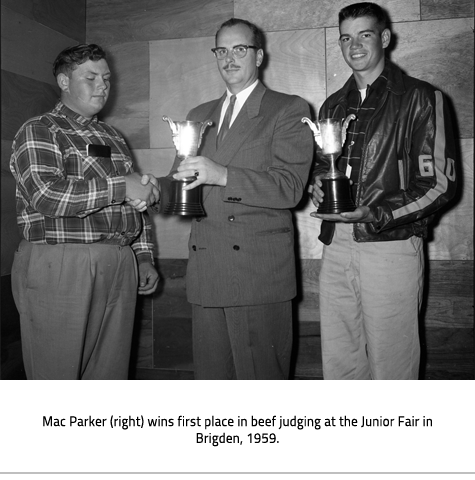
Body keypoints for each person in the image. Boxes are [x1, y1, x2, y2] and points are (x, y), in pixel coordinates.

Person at [155, 18, 314, 379]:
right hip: (207, 270)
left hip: (257, 274)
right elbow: (183, 183)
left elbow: (289, 187)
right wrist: (149, 188)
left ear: (258, 56)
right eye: (221, 51)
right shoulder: (199, 115)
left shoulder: (287, 108)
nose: (229, 58)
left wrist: (222, 174)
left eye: (239, 49)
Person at [309, 2, 457, 379]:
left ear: (385, 38)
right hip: (336, 243)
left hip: (389, 242)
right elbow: (324, 169)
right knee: (340, 363)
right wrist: (317, 188)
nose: (354, 45)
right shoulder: (333, 105)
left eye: (365, 35)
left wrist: (376, 213)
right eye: (346, 37)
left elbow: (439, 184)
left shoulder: (420, 97)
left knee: (392, 366)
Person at [9, 43, 160, 380]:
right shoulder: (40, 129)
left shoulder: (113, 136)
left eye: (106, 78)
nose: (102, 85)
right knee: (57, 377)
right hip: (61, 263)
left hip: (119, 262)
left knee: (108, 377)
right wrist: (122, 186)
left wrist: (143, 255)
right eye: (90, 78)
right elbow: (47, 195)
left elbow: (131, 203)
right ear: (64, 82)